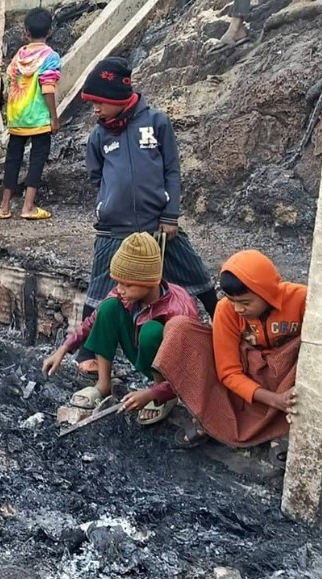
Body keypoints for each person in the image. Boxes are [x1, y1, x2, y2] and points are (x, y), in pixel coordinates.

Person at [73, 57, 217, 377]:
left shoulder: (156, 123)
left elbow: (172, 171)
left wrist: (170, 214)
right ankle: (86, 351)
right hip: (114, 228)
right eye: (92, 103)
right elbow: (97, 176)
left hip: (157, 223)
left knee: (195, 272)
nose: (95, 109)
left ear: (117, 98)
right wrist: (110, 203)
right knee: (100, 286)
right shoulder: (99, 136)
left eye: (99, 102)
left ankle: (223, 327)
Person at [153, 250, 303, 450]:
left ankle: (280, 431)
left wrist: (284, 398)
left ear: (267, 293)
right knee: (180, 328)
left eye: (245, 302)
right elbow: (229, 372)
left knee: (303, 346)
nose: (238, 309)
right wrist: (275, 400)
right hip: (248, 377)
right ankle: (211, 419)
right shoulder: (227, 309)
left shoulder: (301, 299)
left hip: (285, 377)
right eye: (233, 301)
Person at [43, 234, 199, 424]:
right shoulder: (124, 294)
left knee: (151, 331)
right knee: (108, 308)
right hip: (138, 353)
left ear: (150, 281)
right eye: (118, 282)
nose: (120, 289)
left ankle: (164, 394)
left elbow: (189, 369)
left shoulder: (179, 308)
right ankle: (103, 384)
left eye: (127, 284)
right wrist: (64, 348)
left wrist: (151, 393)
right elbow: (94, 319)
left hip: (171, 372)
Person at [0, 8, 61, 221]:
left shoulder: (19, 55)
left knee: (13, 159)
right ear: (50, 31)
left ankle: (4, 207)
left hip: (17, 116)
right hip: (39, 117)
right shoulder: (50, 57)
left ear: (25, 32)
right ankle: (28, 206)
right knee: (37, 159)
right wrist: (54, 117)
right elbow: (48, 88)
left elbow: (9, 80)